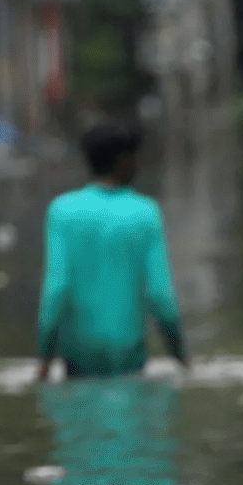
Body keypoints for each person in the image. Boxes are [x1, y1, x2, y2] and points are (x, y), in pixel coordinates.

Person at [37, 122, 185, 380]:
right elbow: (161, 296)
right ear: (124, 160)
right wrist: (181, 357)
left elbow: (56, 290)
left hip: (79, 360)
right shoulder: (145, 212)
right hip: (129, 357)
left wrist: (44, 361)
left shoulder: (61, 211)